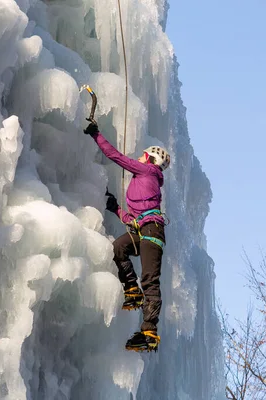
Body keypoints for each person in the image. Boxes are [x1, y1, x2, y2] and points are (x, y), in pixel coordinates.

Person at [84, 121, 170, 352]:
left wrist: (96, 135)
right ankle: (132, 289)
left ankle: (149, 332)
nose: (140, 158)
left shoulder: (148, 171)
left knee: (150, 280)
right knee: (119, 248)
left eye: (144, 156)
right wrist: (116, 209)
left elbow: (116, 156)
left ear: (152, 160)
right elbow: (134, 218)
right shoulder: (144, 179)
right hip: (144, 229)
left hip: (152, 232)